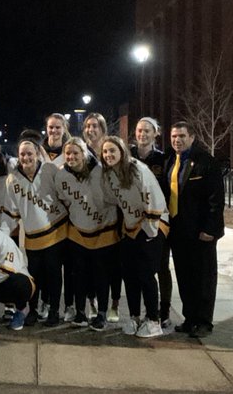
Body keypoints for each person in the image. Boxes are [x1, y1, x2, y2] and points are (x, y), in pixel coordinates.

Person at [101, 135, 168, 338]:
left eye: (112, 150)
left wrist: (150, 230)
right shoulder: (109, 173)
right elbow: (111, 199)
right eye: (105, 152)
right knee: (129, 276)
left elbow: (154, 197)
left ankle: (154, 320)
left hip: (151, 225)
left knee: (146, 275)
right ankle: (134, 316)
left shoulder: (138, 169)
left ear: (122, 151)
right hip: (130, 227)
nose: (108, 155)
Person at [163, 121, 225, 338]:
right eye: (173, 137)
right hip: (178, 230)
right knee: (184, 276)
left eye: (181, 136)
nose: (177, 140)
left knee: (204, 277)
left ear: (192, 137)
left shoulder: (205, 162)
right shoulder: (171, 160)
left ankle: (204, 321)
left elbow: (216, 200)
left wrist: (211, 229)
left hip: (201, 232)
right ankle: (189, 318)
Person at [55, 136, 118, 330]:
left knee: (101, 274)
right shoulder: (61, 175)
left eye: (75, 153)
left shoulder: (100, 170)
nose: (71, 157)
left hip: (103, 229)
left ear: (84, 153)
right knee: (78, 274)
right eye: (68, 153)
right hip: (77, 230)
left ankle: (101, 313)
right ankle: (81, 312)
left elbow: (113, 197)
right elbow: (65, 199)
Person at [3, 134, 67, 326]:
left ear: (38, 154)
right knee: (34, 277)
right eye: (22, 154)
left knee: (54, 275)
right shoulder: (13, 179)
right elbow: (10, 213)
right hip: (32, 237)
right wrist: (2, 235)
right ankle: (33, 310)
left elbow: (66, 195)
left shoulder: (50, 171)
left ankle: (54, 310)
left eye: (29, 153)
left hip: (55, 232)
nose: (26, 158)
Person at [136, 116, 175, 328]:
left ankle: (165, 309)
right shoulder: (129, 157)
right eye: (139, 130)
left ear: (155, 133)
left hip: (158, 220)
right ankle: (146, 308)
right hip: (134, 221)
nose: (142, 134)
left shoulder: (163, 159)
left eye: (147, 131)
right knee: (142, 269)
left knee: (161, 266)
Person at [82, 112, 122, 323]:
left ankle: (114, 303)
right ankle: (92, 301)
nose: (91, 129)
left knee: (112, 264)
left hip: (113, 214)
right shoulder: (83, 151)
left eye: (96, 126)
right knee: (90, 264)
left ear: (103, 129)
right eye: (88, 126)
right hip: (89, 214)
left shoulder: (110, 149)